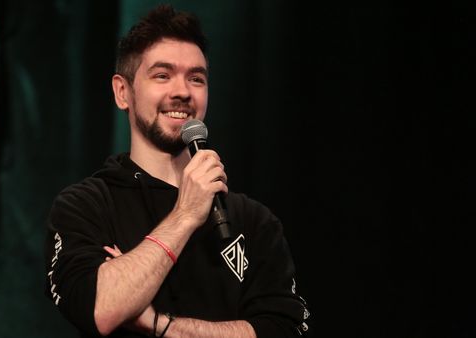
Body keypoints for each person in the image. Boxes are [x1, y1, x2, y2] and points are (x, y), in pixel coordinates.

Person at [45, 4, 309, 338]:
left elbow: (284, 329)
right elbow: (100, 308)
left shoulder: (254, 220)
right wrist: (185, 214)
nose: (182, 91)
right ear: (122, 92)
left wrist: (162, 325)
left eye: (196, 78)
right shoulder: (86, 206)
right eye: (162, 75)